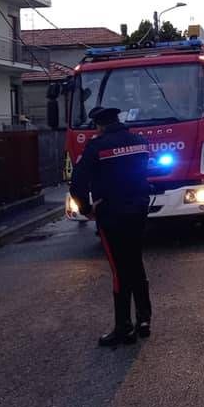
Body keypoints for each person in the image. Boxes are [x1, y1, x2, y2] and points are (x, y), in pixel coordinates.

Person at [69, 106, 153, 346]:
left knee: (119, 270)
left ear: (99, 125)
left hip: (111, 214)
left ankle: (123, 328)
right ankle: (144, 319)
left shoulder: (97, 147)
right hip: (138, 210)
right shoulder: (139, 142)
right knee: (136, 262)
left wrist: (86, 209)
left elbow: (77, 184)